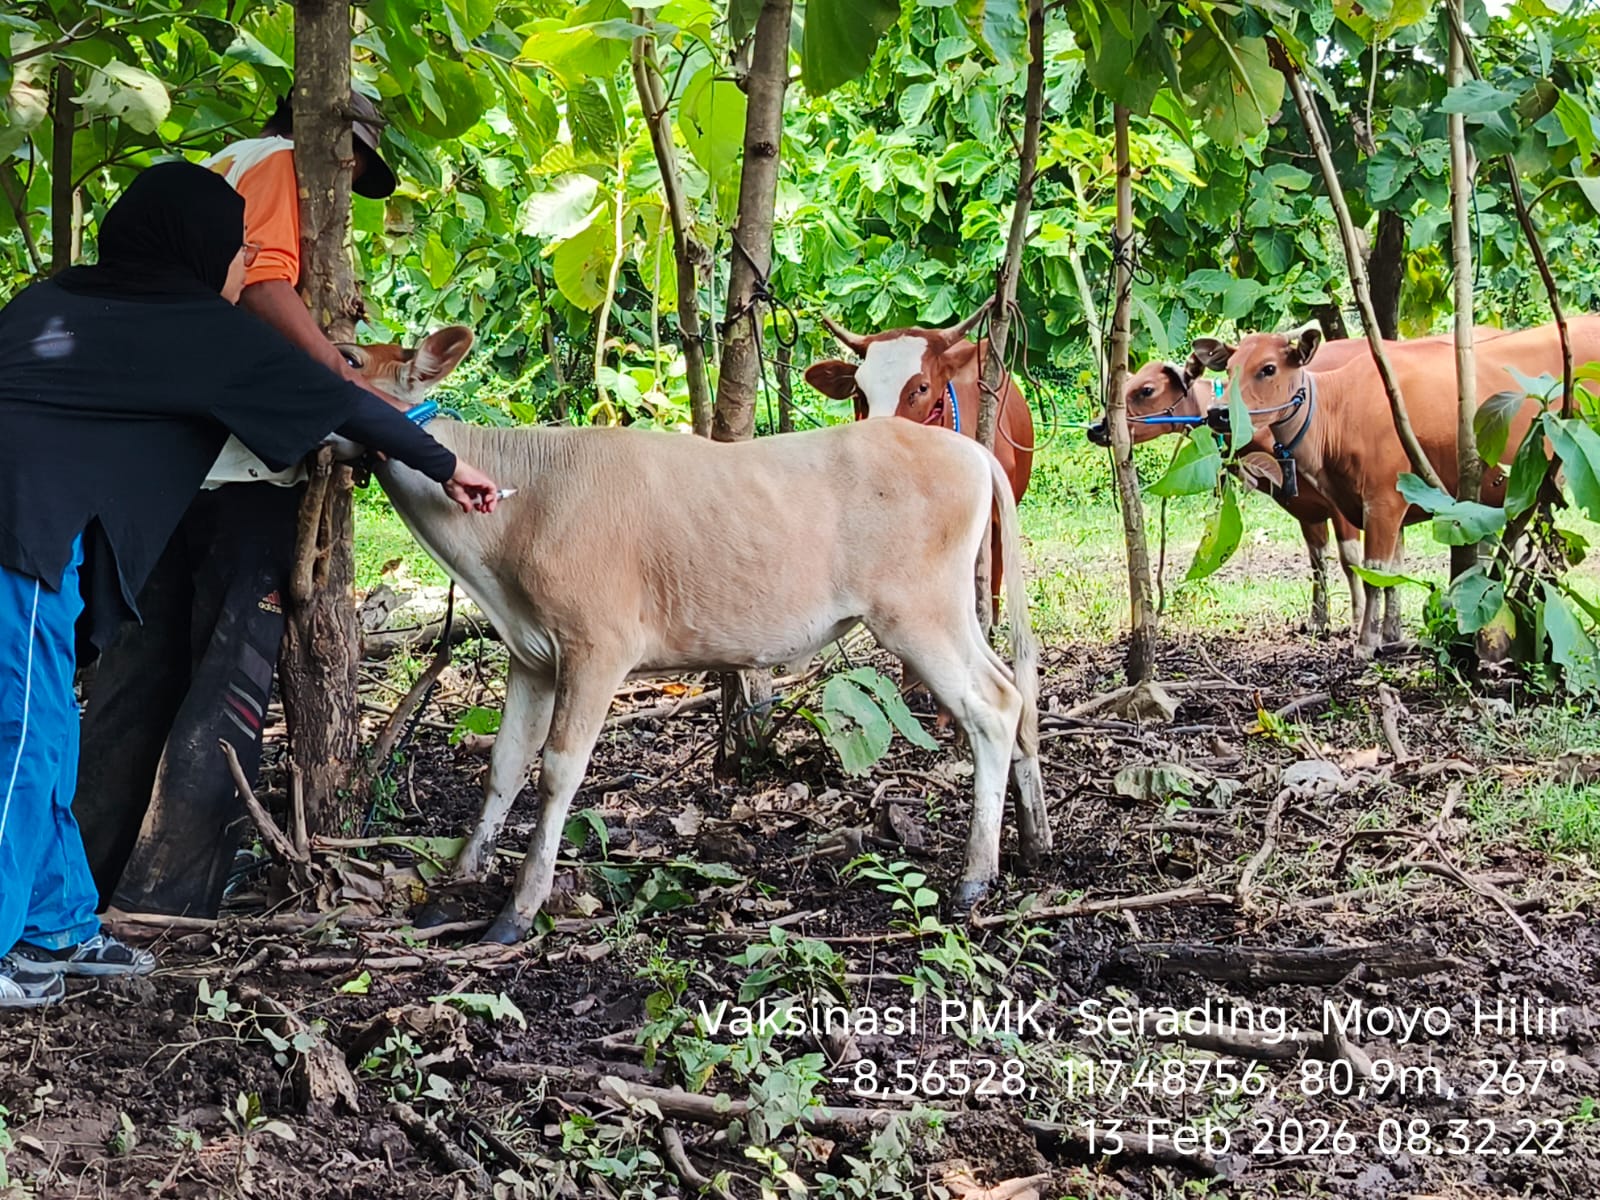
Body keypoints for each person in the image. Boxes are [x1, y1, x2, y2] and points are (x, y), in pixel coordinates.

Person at [0, 161, 500, 1007]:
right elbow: (335, 400)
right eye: (239, 250)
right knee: (19, 741)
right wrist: (447, 462)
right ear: (197, 248)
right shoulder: (195, 326)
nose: (244, 270)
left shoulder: (51, 301)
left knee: (46, 729)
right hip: (16, 544)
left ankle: (56, 925)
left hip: (39, 541)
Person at [73, 90, 412, 919]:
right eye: (356, 159)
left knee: (138, 676)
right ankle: (170, 899)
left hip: (171, 463)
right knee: (228, 678)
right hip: (245, 464)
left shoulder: (212, 173)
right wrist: (332, 385)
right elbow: (262, 283)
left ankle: (80, 883)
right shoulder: (273, 165)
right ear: (336, 142)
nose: (354, 175)